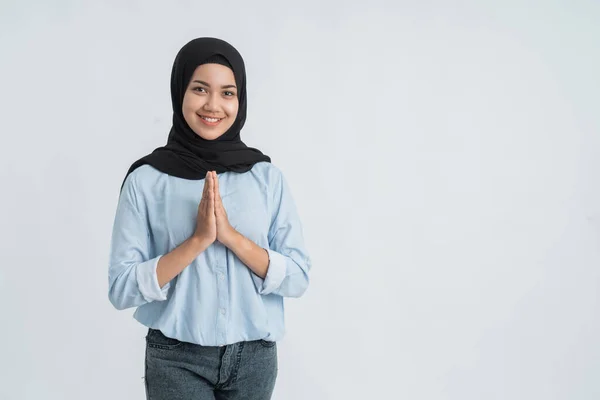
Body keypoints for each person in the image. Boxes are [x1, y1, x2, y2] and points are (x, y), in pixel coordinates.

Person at [108, 37, 311, 400]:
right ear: (179, 91)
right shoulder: (147, 180)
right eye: (200, 89)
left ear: (240, 99)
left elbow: (298, 278)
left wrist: (231, 237)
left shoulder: (266, 178)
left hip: (255, 359)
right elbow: (121, 288)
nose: (213, 105)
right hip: (176, 359)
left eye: (227, 93)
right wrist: (198, 241)